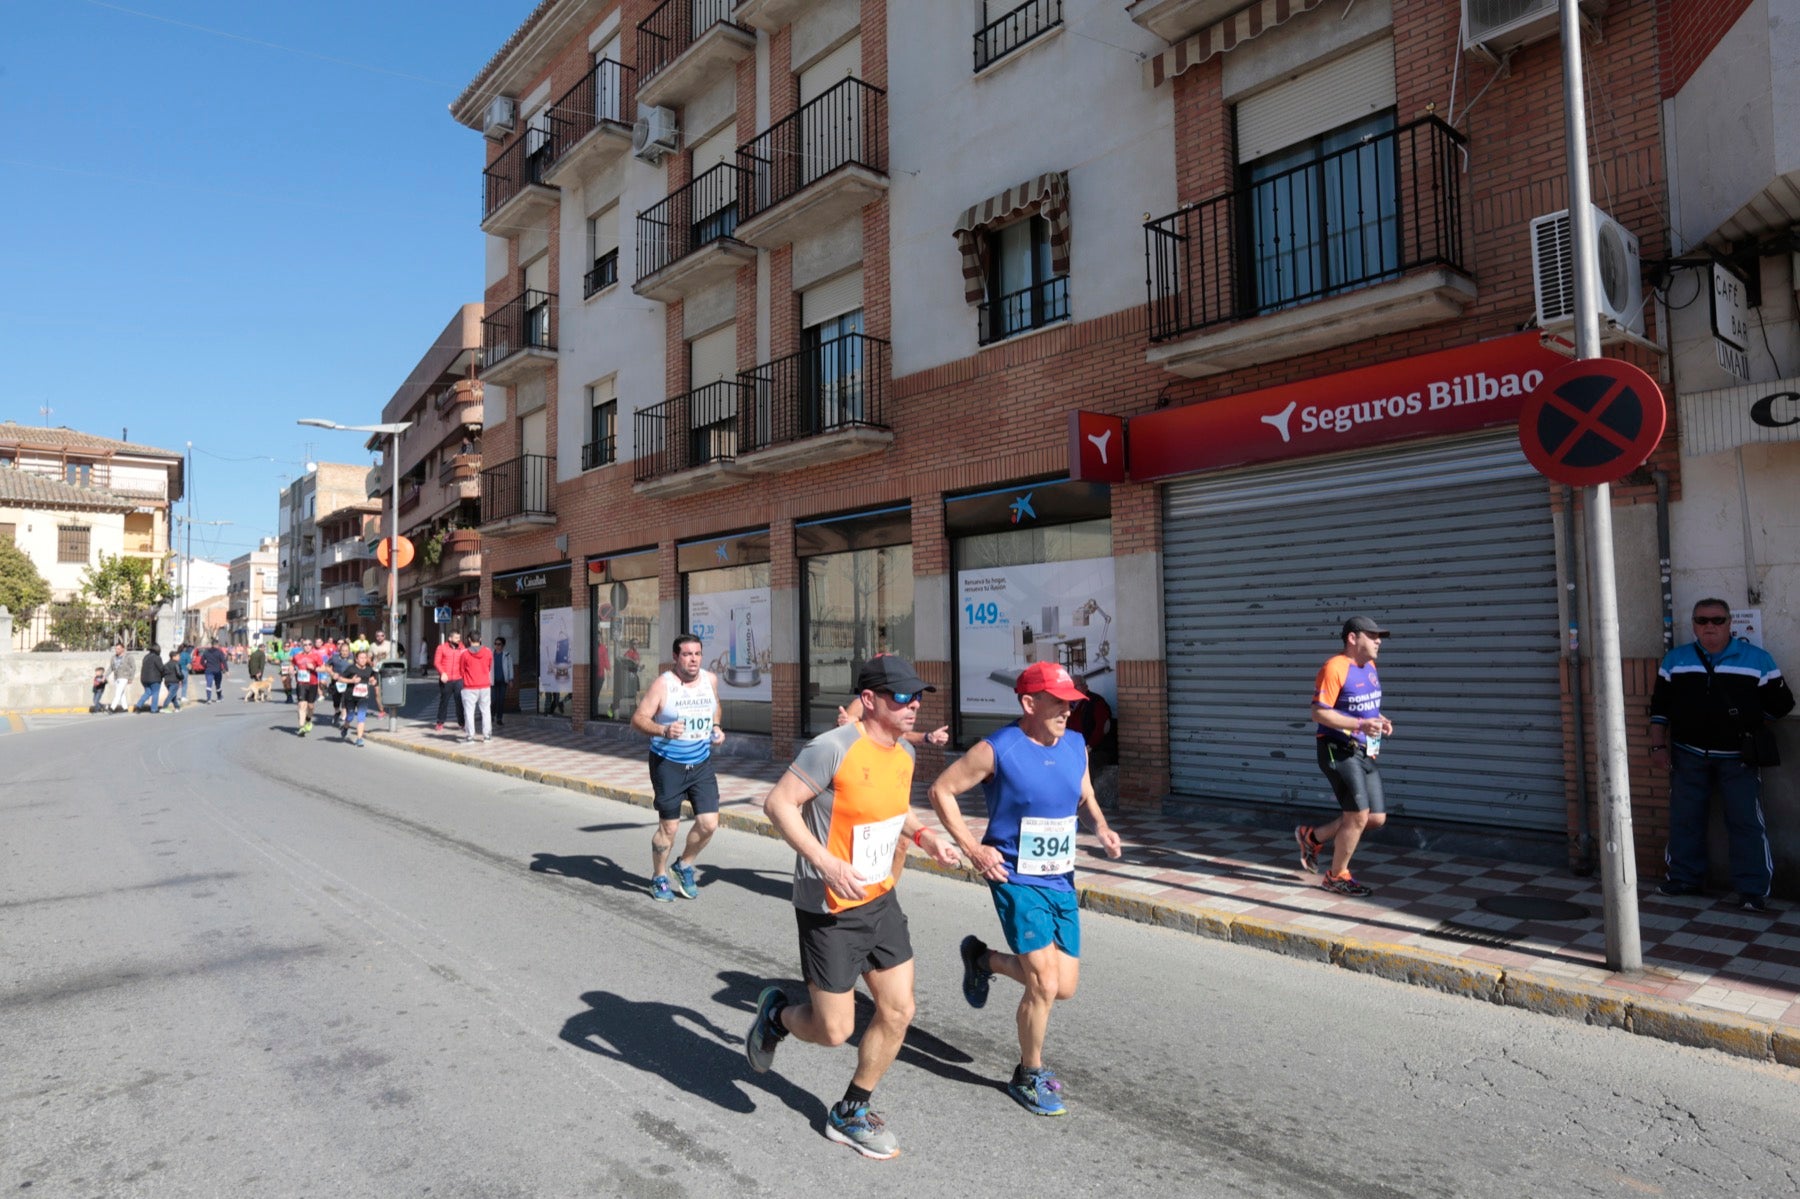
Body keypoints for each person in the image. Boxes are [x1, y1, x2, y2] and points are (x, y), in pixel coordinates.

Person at [744, 655, 961, 1160]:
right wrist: (825, 862)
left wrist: (926, 837)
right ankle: (777, 1016)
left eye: (919, 697)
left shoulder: (904, 753)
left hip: (879, 897)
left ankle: (851, 1110)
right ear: (869, 700)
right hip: (830, 905)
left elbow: (892, 810)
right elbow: (778, 803)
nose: (914, 706)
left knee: (899, 1008)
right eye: (902, 697)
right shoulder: (833, 747)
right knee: (834, 1029)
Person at [927, 661, 1122, 1117]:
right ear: (1029, 703)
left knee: (1064, 987)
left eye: (1072, 703)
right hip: (1015, 877)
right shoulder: (999, 749)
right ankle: (1029, 1074)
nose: (1068, 712)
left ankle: (983, 959)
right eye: (1059, 703)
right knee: (1043, 982)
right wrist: (974, 849)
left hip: (1060, 878)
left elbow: (1084, 792)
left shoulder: (1076, 744)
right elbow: (941, 791)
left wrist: (1102, 826)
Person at [1650, 598, 1794, 911]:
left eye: (1717, 620)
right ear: (1693, 625)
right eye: (1702, 621)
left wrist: (1750, 727)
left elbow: (1782, 705)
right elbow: (1659, 709)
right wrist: (1658, 746)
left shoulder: (1757, 659)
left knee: (1745, 822)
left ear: (1730, 623)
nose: (1710, 627)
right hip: (1688, 755)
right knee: (1685, 819)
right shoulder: (1676, 660)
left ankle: (1753, 891)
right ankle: (1684, 879)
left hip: (1737, 759)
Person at [1294, 616, 1395, 897]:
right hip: (1337, 749)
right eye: (1373, 636)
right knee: (1358, 816)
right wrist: (1361, 725)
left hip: (1364, 750)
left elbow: (1363, 708)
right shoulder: (1334, 667)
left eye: (1380, 637)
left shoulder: (1369, 667)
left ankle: (1312, 837)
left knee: (1375, 817)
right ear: (1353, 638)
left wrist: (1379, 720)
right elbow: (1318, 712)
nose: (1378, 642)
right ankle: (1336, 876)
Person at [630, 634, 726, 902]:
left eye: (697, 653)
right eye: (686, 654)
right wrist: (663, 729)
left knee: (709, 824)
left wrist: (716, 727)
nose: (693, 659)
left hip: (701, 763)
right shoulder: (664, 685)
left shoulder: (710, 680)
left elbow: (715, 706)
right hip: (667, 764)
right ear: (676, 657)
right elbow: (637, 719)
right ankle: (659, 876)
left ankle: (683, 865)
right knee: (669, 828)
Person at [336, 649, 385, 747]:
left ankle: (359, 739)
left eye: (365, 658)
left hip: (363, 697)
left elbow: (374, 679)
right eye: (361, 658)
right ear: (356, 659)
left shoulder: (369, 669)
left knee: (361, 718)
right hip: (350, 697)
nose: (363, 660)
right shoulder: (351, 669)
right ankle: (345, 727)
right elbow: (339, 678)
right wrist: (352, 681)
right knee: (350, 716)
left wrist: (373, 681)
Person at [459, 631, 495, 743]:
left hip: (469, 687)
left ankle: (470, 736)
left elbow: (461, 670)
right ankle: (487, 735)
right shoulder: (488, 652)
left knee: (469, 712)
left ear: (469, 640)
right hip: (484, 686)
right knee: (486, 711)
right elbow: (489, 667)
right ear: (480, 639)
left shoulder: (464, 654)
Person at [290, 638, 325, 736]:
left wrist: (313, 668)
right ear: (302, 645)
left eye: (309, 644)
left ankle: (308, 720)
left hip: (313, 684)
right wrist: (291, 670)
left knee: (310, 706)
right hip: (301, 683)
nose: (307, 646)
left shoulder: (316, 656)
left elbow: (323, 668)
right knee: (302, 705)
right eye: (305, 644)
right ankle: (301, 727)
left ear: (312, 645)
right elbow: (292, 665)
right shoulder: (297, 656)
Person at [434, 632, 464, 733]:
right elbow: (437, 662)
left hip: (458, 678)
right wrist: (442, 673)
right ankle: (440, 722)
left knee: (459, 702)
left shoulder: (462, 648)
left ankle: (462, 723)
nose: (458, 640)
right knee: (444, 701)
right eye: (456, 638)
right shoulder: (441, 648)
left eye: (459, 638)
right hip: (446, 679)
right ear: (450, 638)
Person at [102, 643, 134, 712]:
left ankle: (112, 708)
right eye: (116, 649)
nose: (117, 650)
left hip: (124, 677)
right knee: (121, 693)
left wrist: (131, 678)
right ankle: (125, 708)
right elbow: (111, 668)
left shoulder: (128, 657)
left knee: (118, 692)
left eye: (118, 649)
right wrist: (105, 676)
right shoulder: (113, 657)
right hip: (116, 677)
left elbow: (133, 667)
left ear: (123, 649)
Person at [134, 644, 164, 713]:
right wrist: (164, 674)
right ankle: (154, 709)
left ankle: (138, 705)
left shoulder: (146, 657)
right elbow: (161, 668)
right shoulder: (157, 657)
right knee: (155, 693)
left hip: (144, 679)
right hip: (155, 679)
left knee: (148, 692)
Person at [492, 635, 514, 729]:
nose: (497, 646)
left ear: (503, 645)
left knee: (501, 700)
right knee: (493, 700)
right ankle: (492, 715)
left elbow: (510, 668)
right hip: (493, 681)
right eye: (496, 644)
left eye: (499, 644)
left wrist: (510, 679)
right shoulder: (491, 654)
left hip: (503, 681)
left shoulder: (507, 655)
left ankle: (499, 718)